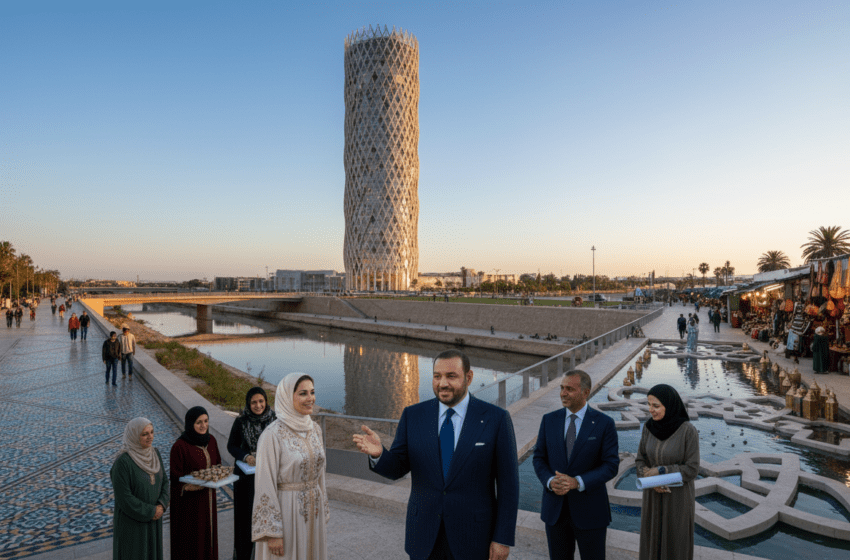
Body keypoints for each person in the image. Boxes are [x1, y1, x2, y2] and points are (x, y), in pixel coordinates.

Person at [353, 348, 520, 560]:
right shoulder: (413, 416)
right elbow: (397, 468)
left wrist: (502, 538)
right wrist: (379, 454)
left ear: (468, 377)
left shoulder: (496, 419)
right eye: (437, 376)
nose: (442, 384)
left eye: (451, 376)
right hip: (423, 536)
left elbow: (509, 486)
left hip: (474, 538)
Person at [532, 371, 619, 560]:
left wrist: (577, 482)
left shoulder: (604, 423)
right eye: (562, 388)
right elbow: (538, 458)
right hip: (555, 512)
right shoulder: (549, 420)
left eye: (569, 389)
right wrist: (549, 481)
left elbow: (611, 465)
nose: (563, 393)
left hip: (591, 513)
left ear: (585, 392)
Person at [252, 374, 329, 560]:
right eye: (303, 393)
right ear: (287, 396)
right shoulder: (272, 435)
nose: (310, 398)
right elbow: (264, 483)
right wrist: (272, 533)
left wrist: (323, 505)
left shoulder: (315, 429)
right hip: (287, 514)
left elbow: (320, 475)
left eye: (312, 392)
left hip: (314, 511)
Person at [635, 384, 699, 560]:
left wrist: (662, 471)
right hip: (652, 497)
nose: (651, 410)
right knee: (651, 543)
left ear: (669, 405)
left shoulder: (688, 431)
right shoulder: (648, 428)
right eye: (649, 405)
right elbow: (640, 460)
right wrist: (649, 479)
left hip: (677, 499)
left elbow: (692, 469)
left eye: (656, 406)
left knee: (675, 545)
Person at [228, 387, 277, 560]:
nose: (258, 406)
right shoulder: (241, 422)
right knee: (246, 519)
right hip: (246, 479)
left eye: (261, 401)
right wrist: (246, 455)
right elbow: (231, 446)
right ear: (249, 404)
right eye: (254, 402)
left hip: (268, 474)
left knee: (267, 515)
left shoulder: (274, 420)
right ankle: (244, 555)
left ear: (266, 401)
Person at [110, 417, 169, 560]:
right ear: (134, 436)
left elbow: (165, 482)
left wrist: (162, 504)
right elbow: (125, 499)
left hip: (154, 521)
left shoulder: (155, 453)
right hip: (132, 525)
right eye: (144, 434)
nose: (150, 437)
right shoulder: (123, 463)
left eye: (152, 432)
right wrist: (151, 511)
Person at [170, 406, 222, 560]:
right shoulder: (179, 447)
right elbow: (174, 479)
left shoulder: (211, 440)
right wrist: (188, 486)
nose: (203, 425)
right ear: (190, 423)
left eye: (206, 421)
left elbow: (217, 464)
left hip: (209, 500)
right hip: (190, 507)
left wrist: (219, 475)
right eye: (198, 422)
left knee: (209, 537)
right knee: (193, 543)